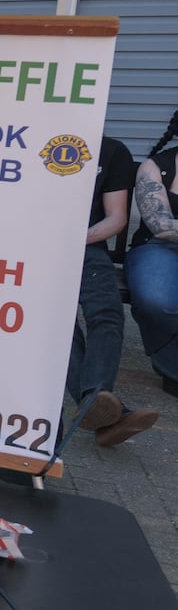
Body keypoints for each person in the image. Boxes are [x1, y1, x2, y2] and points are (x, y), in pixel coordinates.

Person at [67, 136, 157, 445]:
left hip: (86, 246)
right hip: (31, 249)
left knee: (106, 312)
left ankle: (94, 400)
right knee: (59, 324)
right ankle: (107, 411)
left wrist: (72, 240)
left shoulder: (111, 150)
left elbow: (116, 218)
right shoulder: (27, 137)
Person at [127, 110, 178, 400]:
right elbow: (160, 226)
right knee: (156, 300)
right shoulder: (155, 167)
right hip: (160, 248)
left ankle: (172, 366)